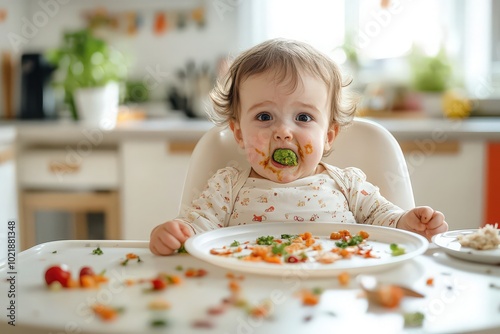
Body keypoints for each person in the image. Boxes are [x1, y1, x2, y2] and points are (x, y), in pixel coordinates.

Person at [149, 38, 448, 256]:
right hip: (245, 290)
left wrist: (408, 222)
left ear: (328, 135)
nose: (283, 133)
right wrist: (174, 235)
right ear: (238, 134)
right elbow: (192, 233)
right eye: (264, 117)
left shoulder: (348, 186)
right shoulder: (227, 187)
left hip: (337, 288)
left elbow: (387, 222)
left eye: (303, 117)